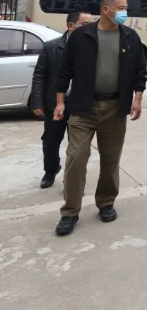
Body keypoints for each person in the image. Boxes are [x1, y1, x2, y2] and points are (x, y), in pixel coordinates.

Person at [53, 0, 147, 236]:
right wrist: (60, 102)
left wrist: (137, 100)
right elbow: (64, 70)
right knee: (76, 158)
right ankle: (70, 211)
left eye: (126, 8)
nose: (125, 12)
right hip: (83, 108)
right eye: (121, 8)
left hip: (115, 108)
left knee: (111, 159)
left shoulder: (130, 36)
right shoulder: (81, 36)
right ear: (106, 9)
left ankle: (106, 202)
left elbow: (139, 71)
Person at [30, 10, 93, 189]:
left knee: (78, 147)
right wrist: (37, 102)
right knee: (51, 141)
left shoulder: (92, 47)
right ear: (70, 26)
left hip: (79, 105)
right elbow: (40, 76)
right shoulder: (51, 47)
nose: (90, 28)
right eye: (85, 24)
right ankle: (51, 170)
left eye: (92, 24)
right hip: (55, 104)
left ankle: (71, 178)